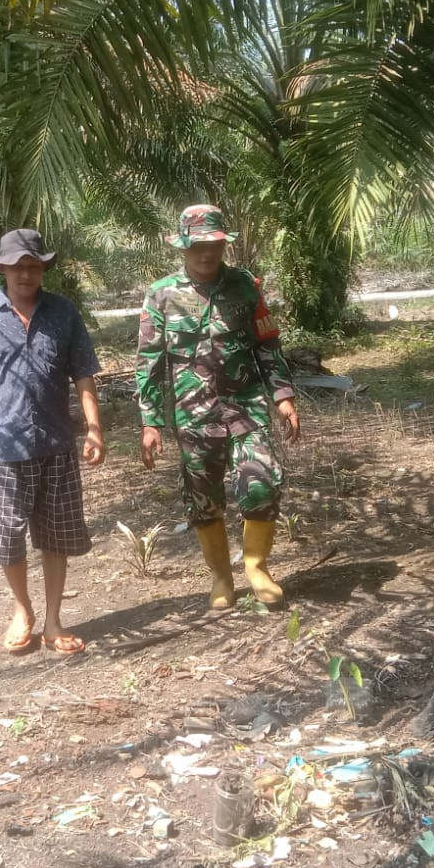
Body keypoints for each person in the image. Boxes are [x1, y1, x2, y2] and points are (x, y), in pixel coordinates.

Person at [136, 205, 300, 609]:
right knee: (203, 497)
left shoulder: (245, 286)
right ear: (183, 246)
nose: (207, 252)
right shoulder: (161, 295)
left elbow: (268, 344)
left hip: (246, 407)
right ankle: (221, 577)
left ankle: (257, 568)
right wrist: (151, 422)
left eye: (214, 244)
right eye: (198, 245)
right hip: (194, 414)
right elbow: (150, 362)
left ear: (224, 244)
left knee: (262, 483)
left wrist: (283, 395)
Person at [0, 228, 106, 654]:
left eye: (33, 266)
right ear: (2, 270)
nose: (25, 274)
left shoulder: (64, 313)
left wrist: (94, 428)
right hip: (3, 446)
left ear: (43, 269)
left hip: (56, 443)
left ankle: (54, 620)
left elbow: (83, 375)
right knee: (7, 535)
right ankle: (23, 609)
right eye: (17, 266)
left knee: (56, 535)